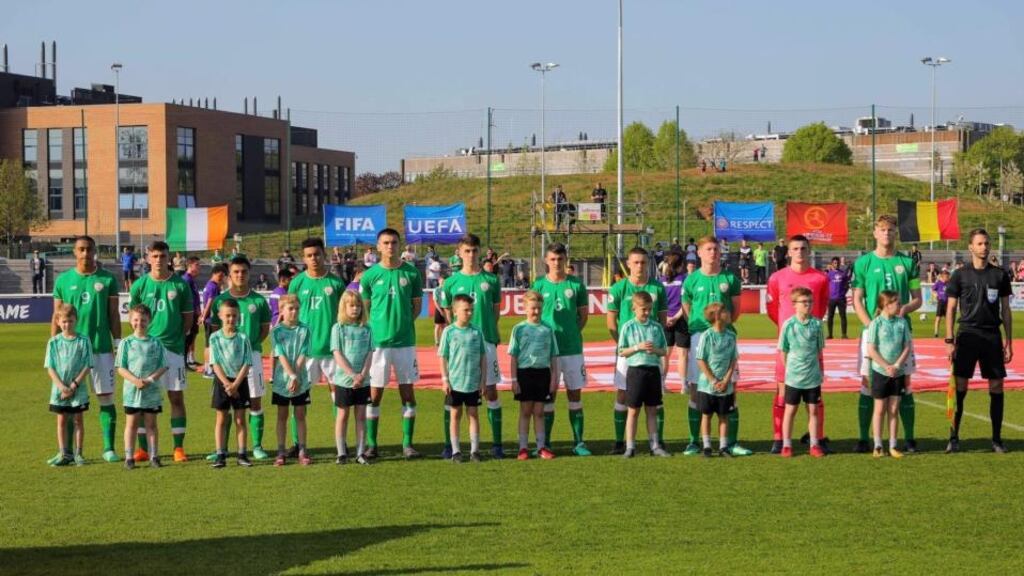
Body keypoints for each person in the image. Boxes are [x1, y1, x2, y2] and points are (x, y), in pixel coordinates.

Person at [851, 215, 922, 453]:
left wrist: (903, 310)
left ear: (896, 233)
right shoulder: (863, 263)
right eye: (882, 230)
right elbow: (857, 300)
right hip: (871, 334)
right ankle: (864, 439)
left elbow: (918, 300)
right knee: (867, 384)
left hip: (901, 334)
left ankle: (909, 438)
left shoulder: (908, 262)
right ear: (874, 233)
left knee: (905, 384)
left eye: (891, 230)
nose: (887, 234)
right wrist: (871, 326)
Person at [50, 236, 121, 464]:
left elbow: (113, 314)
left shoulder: (107, 279)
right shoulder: (63, 280)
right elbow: (56, 316)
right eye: (81, 249)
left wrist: (118, 343)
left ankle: (108, 448)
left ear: (95, 251)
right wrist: (54, 344)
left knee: (105, 397)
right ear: (74, 252)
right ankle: (67, 452)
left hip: (100, 347)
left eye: (89, 249)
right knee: (68, 401)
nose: (85, 253)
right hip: (71, 351)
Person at [944, 228, 1013, 454]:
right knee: (961, 385)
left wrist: (1008, 342)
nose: (985, 247)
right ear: (971, 247)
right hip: (967, 335)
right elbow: (951, 308)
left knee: (996, 385)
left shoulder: (1000, 275)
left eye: (987, 243)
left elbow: (1005, 309)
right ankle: (953, 437)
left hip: (992, 336)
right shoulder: (960, 275)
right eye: (980, 244)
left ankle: (996, 439)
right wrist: (949, 339)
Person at [681, 236, 751, 456]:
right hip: (700, 336)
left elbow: (736, 310)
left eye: (716, 249)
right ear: (699, 253)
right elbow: (687, 308)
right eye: (708, 249)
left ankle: (731, 441)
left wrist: (722, 326)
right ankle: (694, 441)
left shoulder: (730, 278)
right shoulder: (691, 280)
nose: (713, 252)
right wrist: (702, 327)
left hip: (725, 336)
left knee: (731, 387)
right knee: (696, 388)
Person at [360, 228, 423, 459]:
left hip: (405, 343)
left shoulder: (412, 274)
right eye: (385, 243)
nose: (390, 247)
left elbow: (416, 308)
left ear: (399, 245)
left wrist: (403, 324)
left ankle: (407, 444)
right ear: (378, 247)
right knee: (374, 396)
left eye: (394, 242)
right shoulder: (369, 276)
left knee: (408, 394)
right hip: (378, 345)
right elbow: (366, 309)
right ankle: (372, 444)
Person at [439, 233, 504, 458]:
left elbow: (495, 312)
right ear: (459, 252)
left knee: (491, 391)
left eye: (475, 250)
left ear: (479, 251)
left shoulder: (492, 280)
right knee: (453, 393)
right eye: (466, 251)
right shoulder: (451, 282)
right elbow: (448, 312)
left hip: (485, 341)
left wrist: (485, 334)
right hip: (459, 343)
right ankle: (450, 445)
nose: (471, 255)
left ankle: (496, 443)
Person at [129, 241, 194, 463]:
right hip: (145, 351)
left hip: (173, 350)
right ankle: (142, 449)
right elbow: (134, 319)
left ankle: (178, 448)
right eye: (154, 256)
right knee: (141, 399)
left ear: (169, 259)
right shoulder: (139, 286)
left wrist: (177, 339)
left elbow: (188, 319)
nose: (158, 260)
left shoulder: (181, 285)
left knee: (176, 397)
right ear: (148, 258)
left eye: (162, 256)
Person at [766, 235, 831, 454]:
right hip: (788, 345)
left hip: (810, 343)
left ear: (809, 250)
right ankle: (780, 439)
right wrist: (789, 329)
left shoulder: (820, 278)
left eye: (803, 248)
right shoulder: (777, 278)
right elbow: (773, 310)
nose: (800, 252)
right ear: (789, 252)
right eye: (795, 248)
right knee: (783, 391)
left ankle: (817, 438)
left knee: (814, 395)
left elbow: (821, 309)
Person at [533, 242, 592, 456]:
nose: (557, 263)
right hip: (547, 352)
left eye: (560, 259)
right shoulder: (538, 285)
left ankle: (579, 442)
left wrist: (572, 333)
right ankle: (545, 442)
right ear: (546, 261)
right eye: (553, 259)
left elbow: (583, 316)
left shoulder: (576, 285)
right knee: (549, 395)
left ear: (565, 260)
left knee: (574, 395)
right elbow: (532, 316)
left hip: (572, 349)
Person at [606, 247, 667, 454]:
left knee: (655, 399)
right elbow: (611, 323)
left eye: (643, 262)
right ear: (629, 264)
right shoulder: (618, 288)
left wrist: (655, 346)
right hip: (628, 353)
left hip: (650, 355)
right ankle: (619, 441)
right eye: (636, 262)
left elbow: (662, 320)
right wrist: (625, 346)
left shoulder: (657, 288)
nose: (640, 266)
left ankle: (658, 441)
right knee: (623, 395)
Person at [210, 257, 271, 460]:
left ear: (249, 272)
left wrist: (249, 345)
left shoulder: (259, 301)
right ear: (229, 273)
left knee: (254, 400)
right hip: (225, 360)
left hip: (251, 357)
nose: (240, 275)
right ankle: (222, 449)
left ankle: (256, 446)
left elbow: (264, 330)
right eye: (236, 272)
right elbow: (214, 330)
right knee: (224, 405)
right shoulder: (220, 300)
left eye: (244, 271)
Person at [288, 237, 344, 456]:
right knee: (299, 397)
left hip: (332, 351)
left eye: (317, 254)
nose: (314, 259)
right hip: (304, 352)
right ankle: (297, 443)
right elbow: (289, 317)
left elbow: (343, 318)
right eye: (309, 255)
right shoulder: (297, 283)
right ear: (304, 258)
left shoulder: (337, 284)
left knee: (338, 396)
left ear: (324, 255)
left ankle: (340, 442)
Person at [618, 291, 671, 458]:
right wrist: (637, 348)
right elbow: (621, 351)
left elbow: (664, 350)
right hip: (635, 371)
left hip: (653, 371)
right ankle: (630, 447)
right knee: (633, 410)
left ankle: (654, 445)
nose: (647, 312)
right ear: (634, 308)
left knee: (652, 410)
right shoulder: (628, 326)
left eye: (649, 309)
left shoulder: (656, 327)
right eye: (643, 309)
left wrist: (654, 350)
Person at [508, 290, 559, 460]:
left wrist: (554, 379)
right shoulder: (519, 329)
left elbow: (553, 356)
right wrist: (514, 380)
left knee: (539, 412)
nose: (536, 312)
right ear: (525, 308)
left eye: (538, 308)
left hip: (542, 373)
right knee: (525, 411)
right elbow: (513, 357)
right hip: (524, 373)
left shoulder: (547, 329)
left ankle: (540, 447)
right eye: (532, 308)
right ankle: (523, 448)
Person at [777, 287, 826, 458]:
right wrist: (788, 370)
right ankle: (786, 445)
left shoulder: (817, 324)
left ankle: (814, 444)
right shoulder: (788, 325)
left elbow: (819, 350)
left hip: (812, 377)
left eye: (810, 302)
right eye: (804, 302)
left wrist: (821, 371)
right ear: (794, 305)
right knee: (790, 411)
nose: (808, 305)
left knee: (813, 411)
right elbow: (783, 350)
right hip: (794, 378)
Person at [118, 304, 168, 470]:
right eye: (136, 319)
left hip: (151, 392)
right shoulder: (126, 343)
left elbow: (163, 365)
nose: (140, 323)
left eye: (143, 320)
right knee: (131, 424)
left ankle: (154, 456)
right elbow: (120, 367)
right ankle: (129, 457)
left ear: (149, 321)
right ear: (131, 321)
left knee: (151, 424)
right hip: (132, 392)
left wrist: (150, 380)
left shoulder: (156, 343)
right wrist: (135, 380)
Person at [439, 294, 487, 463]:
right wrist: (445, 379)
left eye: (471, 310)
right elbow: (443, 357)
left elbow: (483, 356)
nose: (469, 313)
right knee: (455, 415)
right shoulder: (449, 331)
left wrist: (483, 380)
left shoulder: (476, 331)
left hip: (473, 382)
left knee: (473, 414)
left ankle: (475, 450)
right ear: (455, 311)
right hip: (455, 382)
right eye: (466, 310)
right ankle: (456, 450)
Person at [45, 303, 94, 466]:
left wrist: (73, 385)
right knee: (61, 421)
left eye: (70, 321)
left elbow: (88, 365)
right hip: (59, 389)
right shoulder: (53, 342)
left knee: (78, 420)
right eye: (64, 321)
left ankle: (79, 453)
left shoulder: (83, 340)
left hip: (77, 389)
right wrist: (61, 386)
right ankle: (63, 453)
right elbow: (50, 367)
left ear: (76, 321)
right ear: (58, 322)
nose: (67, 325)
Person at [865, 291, 911, 459]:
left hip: (897, 372)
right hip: (879, 372)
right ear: (886, 305)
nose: (899, 306)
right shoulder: (876, 324)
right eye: (897, 303)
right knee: (879, 409)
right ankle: (878, 445)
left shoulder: (902, 323)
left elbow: (907, 346)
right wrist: (886, 366)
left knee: (894, 409)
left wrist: (897, 365)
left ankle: (893, 445)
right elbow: (871, 349)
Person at [208, 298, 253, 468]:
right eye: (227, 315)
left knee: (240, 419)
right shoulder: (214, 338)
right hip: (222, 382)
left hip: (239, 382)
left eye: (234, 316)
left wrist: (235, 385)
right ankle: (220, 454)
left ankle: (242, 453)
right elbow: (215, 363)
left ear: (238, 316)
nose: (230, 319)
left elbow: (247, 362)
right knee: (221, 418)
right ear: (220, 315)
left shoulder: (242, 337)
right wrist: (227, 383)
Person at [330, 290, 373, 465]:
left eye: (358, 305)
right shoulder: (338, 328)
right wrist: (353, 374)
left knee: (361, 416)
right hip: (344, 381)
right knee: (342, 415)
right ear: (344, 307)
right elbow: (337, 353)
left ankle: (360, 452)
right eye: (351, 305)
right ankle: (341, 452)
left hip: (363, 381)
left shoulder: (367, 328)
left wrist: (362, 374)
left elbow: (370, 353)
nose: (355, 309)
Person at [269, 294, 312, 466]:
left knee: (300, 414)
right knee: (282, 415)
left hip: (300, 380)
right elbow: (280, 354)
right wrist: (291, 375)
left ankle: (302, 449)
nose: (294, 312)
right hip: (282, 381)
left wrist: (296, 375)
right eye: (290, 309)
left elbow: (303, 353)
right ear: (282, 310)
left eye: (296, 309)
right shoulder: (277, 331)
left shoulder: (305, 330)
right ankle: (281, 451)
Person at [694, 302, 738, 458]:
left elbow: (733, 359)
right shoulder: (707, 335)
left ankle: (723, 446)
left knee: (723, 416)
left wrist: (726, 380)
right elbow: (700, 359)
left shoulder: (731, 335)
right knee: (706, 415)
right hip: (707, 386)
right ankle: (706, 446)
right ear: (718, 316)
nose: (729, 313)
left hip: (725, 386)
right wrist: (713, 380)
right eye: (726, 311)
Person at [660, 249, 691, 412]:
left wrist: (666, 318)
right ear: (681, 265)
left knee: (665, 353)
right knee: (683, 355)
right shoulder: (685, 280)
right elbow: (685, 303)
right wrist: (677, 317)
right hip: (681, 320)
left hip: (665, 320)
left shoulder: (661, 281)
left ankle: (662, 384)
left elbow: (660, 303)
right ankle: (683, 385)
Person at [199, 264, 227, 379]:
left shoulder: (208, 285)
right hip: (212, 320)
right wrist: (204, 316)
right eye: (220, 276)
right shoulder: (214, 287)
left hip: (208, 319)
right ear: (216, 273)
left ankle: (207, 368)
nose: (221, 278)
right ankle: (210, 370)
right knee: (212, 345)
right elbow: (210, 302)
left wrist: (202, 316)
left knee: (208, 344)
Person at [182, 257, 202, 369]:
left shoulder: (191, 280)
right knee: (187, 338)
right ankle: (184, 363)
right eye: (197, 265)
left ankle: (189, 360)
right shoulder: (186, 280)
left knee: (191, 337)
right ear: (190, 266)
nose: (199, 267)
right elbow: (187, 299)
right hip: (189, 315)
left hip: (193, 314)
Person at [826, 257, 851, 340]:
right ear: (832, 264)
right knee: (830, 316)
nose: (836, 264)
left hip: (841, 299)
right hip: (832, 299)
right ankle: (830, 334)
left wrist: (844, 292)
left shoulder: (843, 274)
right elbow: (825, 284)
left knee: (843, 316)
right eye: (834, 263)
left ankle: (844, 334)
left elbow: (848, 283)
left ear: (839, 264)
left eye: (837, 263)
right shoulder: (829, 274)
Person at [433, 274, 449, 347]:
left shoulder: (446, 289)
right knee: (438, 325)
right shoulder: (436, 289)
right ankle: (437, 341)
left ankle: (443, 341)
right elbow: (435, 301)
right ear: (439, 281)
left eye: (444, 281)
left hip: (445, 308)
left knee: (444, 326)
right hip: (439, 308)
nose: (443, 282)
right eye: (441, 281)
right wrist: (440, 311)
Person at [933, 268, 949, 338]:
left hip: (947, 303)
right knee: (938, 318)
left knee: (947, 319)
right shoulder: (938, 283)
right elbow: (933, 290)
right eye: (946, 276)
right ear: (943, 276)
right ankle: (936, 333)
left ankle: (948, 333)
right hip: (941, 302)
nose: (947, 278)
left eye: (948, 276)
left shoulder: (949, 283)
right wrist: (935, 295)